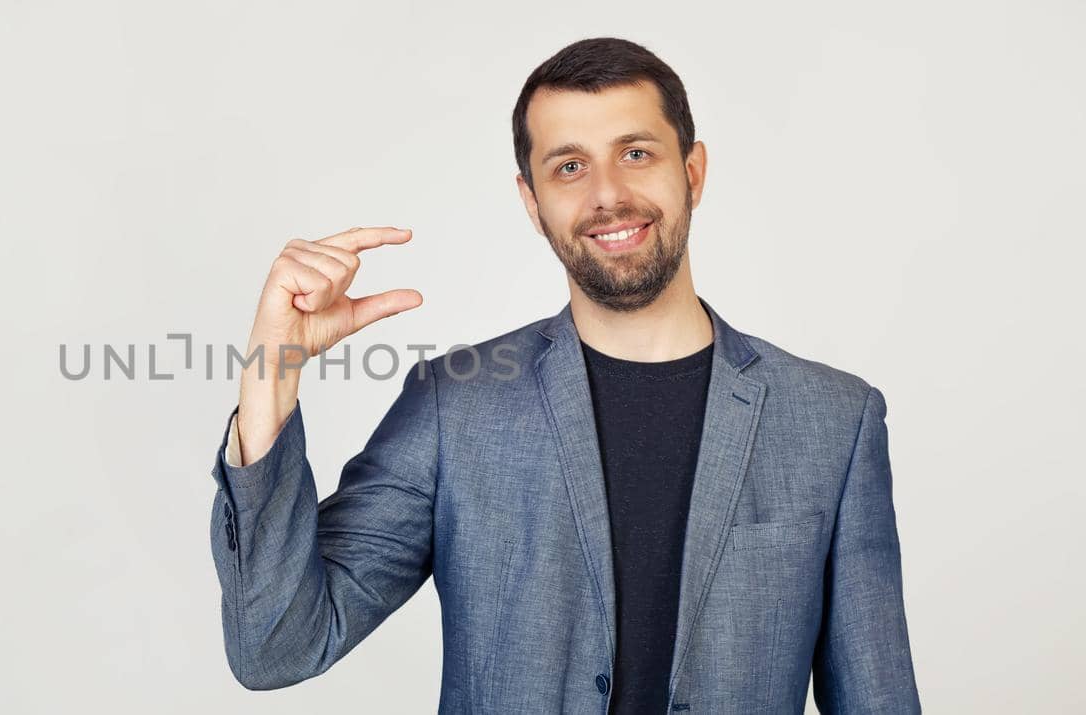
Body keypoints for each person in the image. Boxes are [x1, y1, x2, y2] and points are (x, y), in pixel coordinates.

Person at [206, 37, 920, 714]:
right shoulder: (453, 408)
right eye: (569, 166)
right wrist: (273, 375)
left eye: (636, 152)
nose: (608, 194)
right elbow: (275, 646)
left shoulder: (834, 418)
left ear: (692, 172)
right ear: (531, 202)